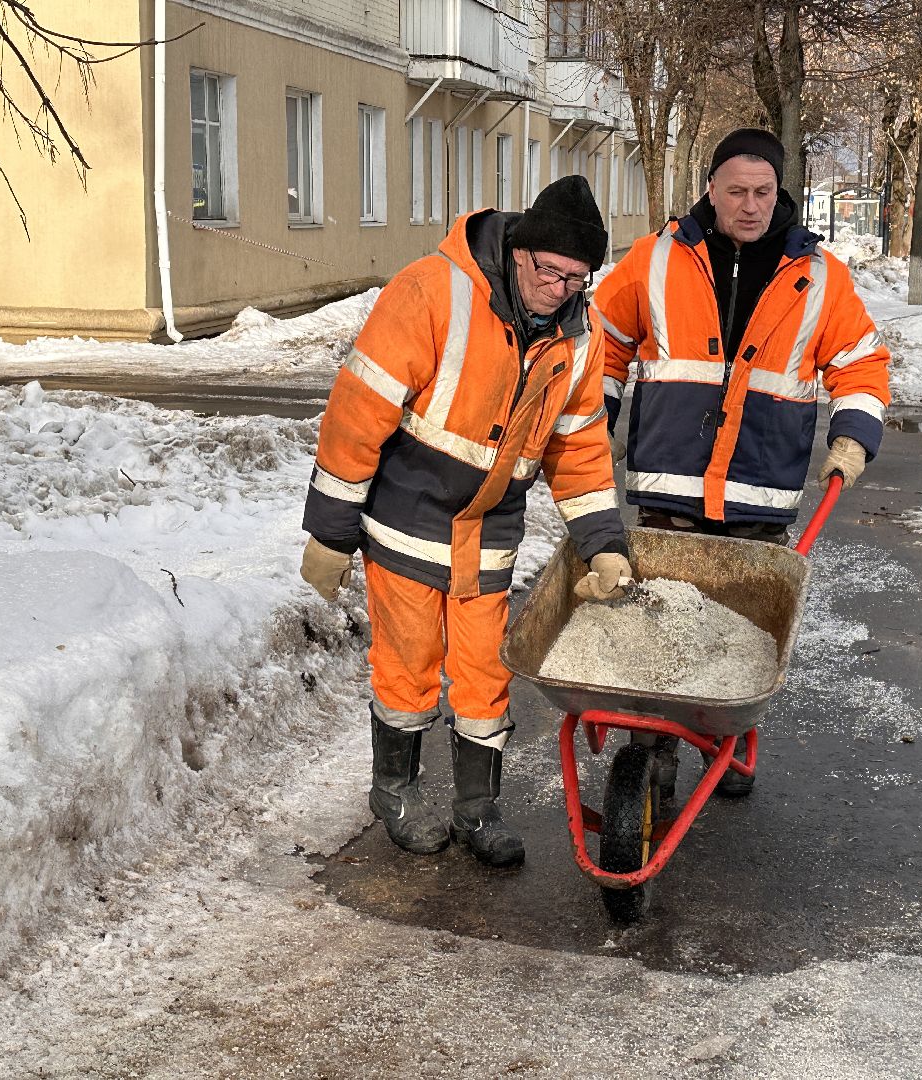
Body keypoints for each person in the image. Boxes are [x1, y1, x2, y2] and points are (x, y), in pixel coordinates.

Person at [300, 176, 632, 867]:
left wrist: (603, 544)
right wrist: (331, 530)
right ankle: (395, 791)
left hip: (490, 530)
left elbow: (581, 448)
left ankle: (478, 809)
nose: (561, 289)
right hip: (406, 519)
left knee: (484, 675)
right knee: (409, 666)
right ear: (519, 252)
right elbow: (359, 411)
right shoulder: (432, 291)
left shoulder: (578, 334)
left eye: (577, 278)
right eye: (550, 271)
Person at [593, 127, 890, 797]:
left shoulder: (818, 278)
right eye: (736, 192)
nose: (750, 206)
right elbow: (605, 343)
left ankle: (727, 737)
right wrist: (599, 420)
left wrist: (853, 436)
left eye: (762, 192)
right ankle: (657, 753)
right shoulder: (654, 260)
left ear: (777, 193)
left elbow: (862, 363)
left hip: (761, 493)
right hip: (670, 491)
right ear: (711, 189)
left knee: (740, 636)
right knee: (660, 632)